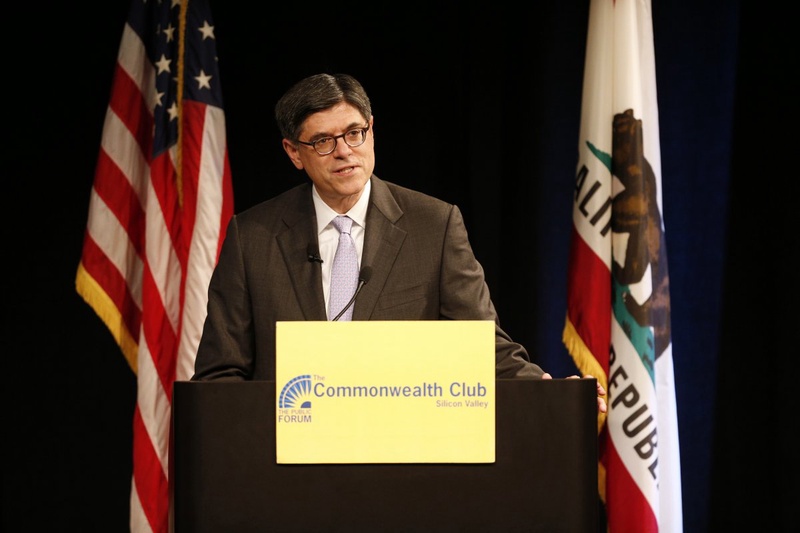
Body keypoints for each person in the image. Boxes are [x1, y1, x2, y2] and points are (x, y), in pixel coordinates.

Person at [191, 72, 606, 413]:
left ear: (372, 133)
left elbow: (480, 345)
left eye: (354, 133)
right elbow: (219, 374)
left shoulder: (435, 225)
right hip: (287, 465)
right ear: (294, 152)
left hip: (402, 458)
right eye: (323, 141)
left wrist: (551, 395)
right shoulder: (252, 236)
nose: (343, 152)